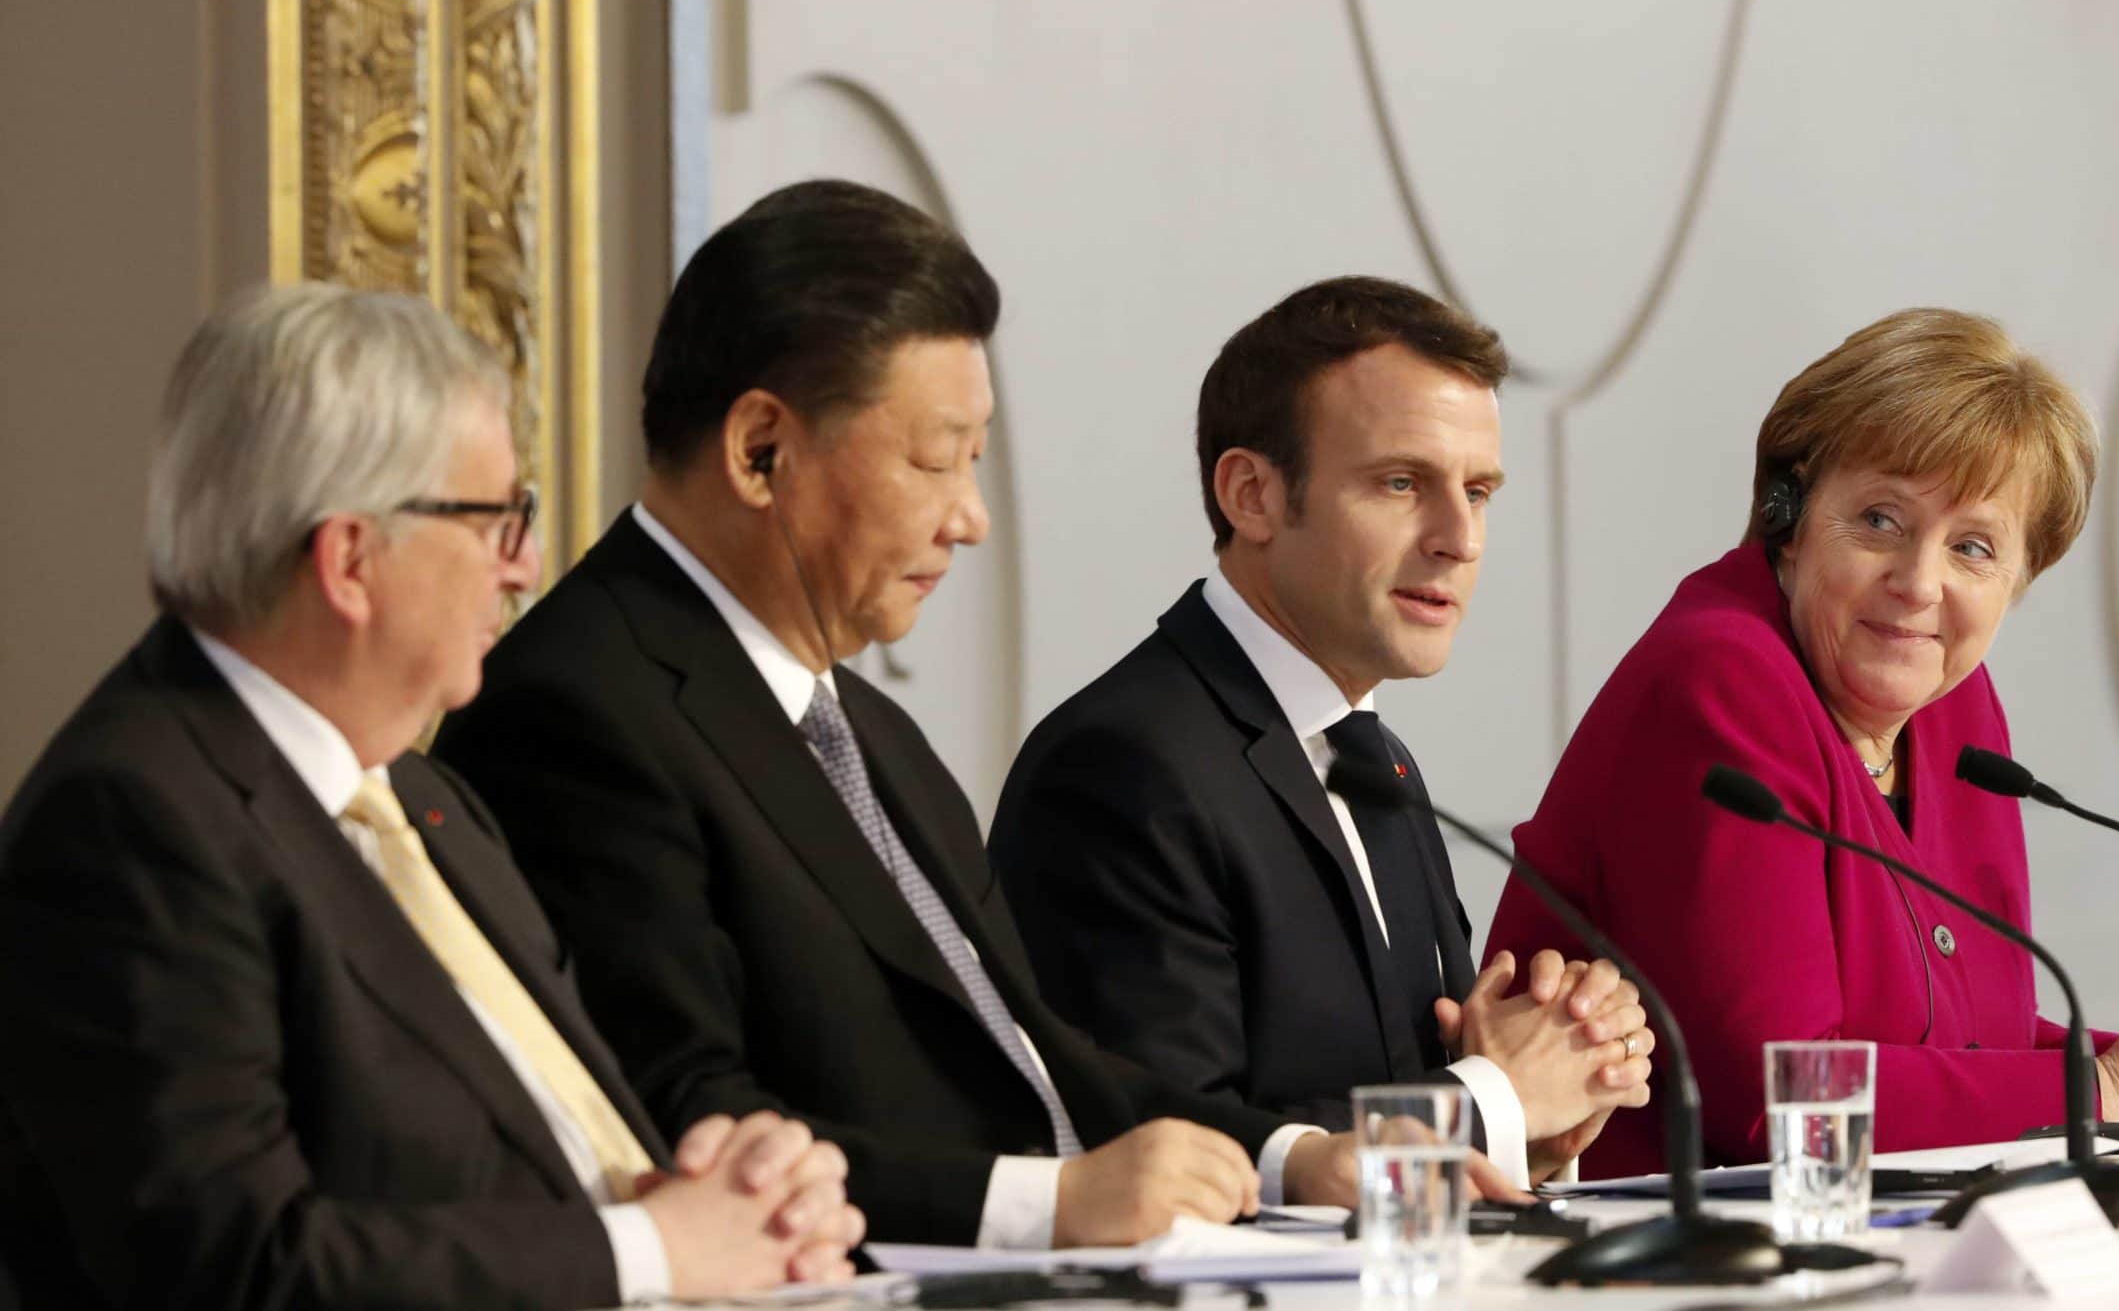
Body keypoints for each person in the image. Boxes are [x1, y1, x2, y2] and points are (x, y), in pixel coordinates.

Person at [440, 183, 1441, 1251]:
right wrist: (1046, 1208)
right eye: (935, 459)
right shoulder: (575, 708)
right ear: (760, 451)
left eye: (974, 460)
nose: (970, 518)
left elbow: (1037, 1051)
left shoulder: (874, 732)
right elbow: (683, 1120)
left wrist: (1295, 1158)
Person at [0, 286, 861, 1311]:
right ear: (351, 561)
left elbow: (533, 1154)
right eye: (499, 520)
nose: (526, 566)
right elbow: (237, 1270)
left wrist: (718, 1190)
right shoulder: (128, 824)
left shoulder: (420, 793)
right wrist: (652, 1251)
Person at [1483, 308, 2119, 1173]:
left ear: (2016, 583)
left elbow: (1968, 1039)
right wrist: (2105, 1086)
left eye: (1973, 547)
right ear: (1790, 513)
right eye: (1881, 519)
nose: (1919, 583)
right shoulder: (1722, 679)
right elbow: (1789, 1097)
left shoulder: (1954, 706)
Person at [992, 277, 1652, 1186]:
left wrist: (1540, 1112)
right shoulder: (1122, 764)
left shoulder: (1374, 757)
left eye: (1480, 490)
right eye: (1400, 481)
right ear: (1252, 494)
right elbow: (1160, 1140)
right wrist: (1498, 1096)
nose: (1459, 536)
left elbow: (1396, 1088)